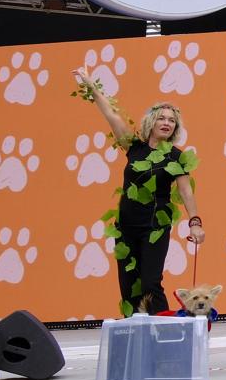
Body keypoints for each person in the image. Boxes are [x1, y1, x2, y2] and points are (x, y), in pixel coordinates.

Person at [72, 69, 204, 316]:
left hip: (155, 226)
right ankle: (136, 336)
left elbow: (186, 191)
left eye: (171, 120)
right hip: (126, 225)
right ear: (151, 122)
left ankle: (165, 337)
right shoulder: (133, 147)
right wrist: (90, 84)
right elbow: (110, 113)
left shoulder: (177, 156)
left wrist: (195, 222)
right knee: (128, 285)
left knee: (150, 282)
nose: (166, 122)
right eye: (162, 118)